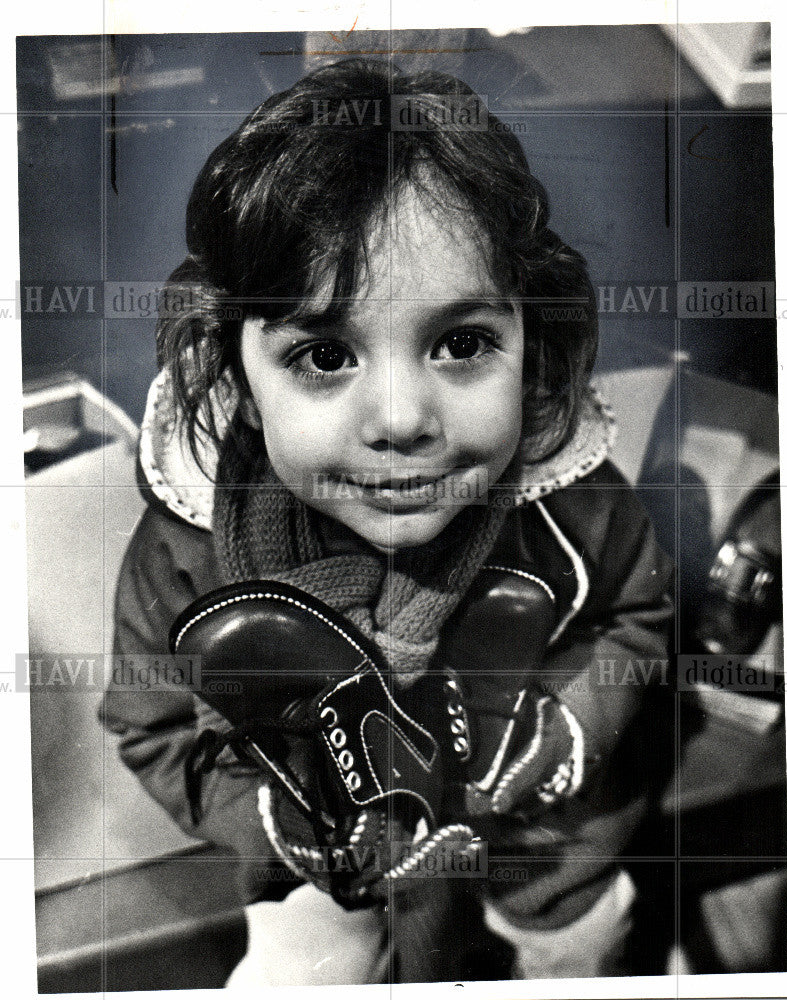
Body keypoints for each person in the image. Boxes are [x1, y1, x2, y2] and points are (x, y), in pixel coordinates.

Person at [100, 58, 673, 986]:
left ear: (532, 350)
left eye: (461, 344)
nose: (402, 417)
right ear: (237, 383)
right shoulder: (191, 549)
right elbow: (156, 726)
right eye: (324, 354)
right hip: (322, 859)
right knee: (302, 970)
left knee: (583, 940)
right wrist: (281, 823)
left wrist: (566, 735)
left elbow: (637, 623)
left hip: (542, 831)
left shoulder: (570, 501)